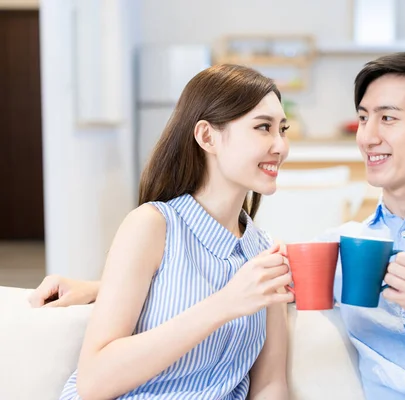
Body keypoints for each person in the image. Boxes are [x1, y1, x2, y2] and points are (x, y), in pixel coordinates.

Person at [31, 51, 405, 400]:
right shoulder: (336, 250)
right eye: (364, 118)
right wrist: (109, 289)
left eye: (388, 119)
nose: (368, 135)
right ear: (207, 136)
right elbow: (222, 282)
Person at [46, 64, 295, 400]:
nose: (280, 146)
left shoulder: (263, 254)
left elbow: (270, 384)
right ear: (207, 136)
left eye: (283, 129)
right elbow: (93, 383)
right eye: (263, 128)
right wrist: (225, 304)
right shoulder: (152, 226)